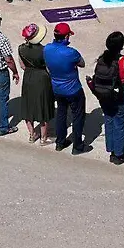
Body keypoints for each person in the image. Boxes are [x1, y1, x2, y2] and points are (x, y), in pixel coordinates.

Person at [44, 22, 89, 154]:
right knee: (78, 116)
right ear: (66, 37)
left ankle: (60, 142)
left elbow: (47, 66)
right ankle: (77, 145)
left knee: (61, 114)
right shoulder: (71, 52)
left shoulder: (47, 49)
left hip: (57, 88)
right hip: (73, 89)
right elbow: (82, 64)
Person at [98, 31, 124, 164]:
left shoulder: (102, 58)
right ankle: (118, 154)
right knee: (121, 122)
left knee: (109, 120)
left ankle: (111, 148)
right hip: (121, 93)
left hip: (105, 94)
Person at [18, 23, 55, 146]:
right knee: (43, 107)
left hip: (28, 77)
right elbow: (49, 68)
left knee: (28, 106)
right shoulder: (44, 50)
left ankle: (32, 134)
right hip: (42, 78)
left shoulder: (21, 48)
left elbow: (22, 66)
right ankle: (44, 138)